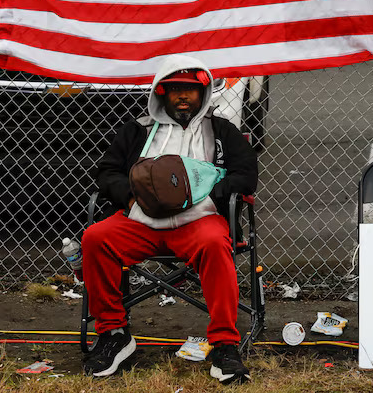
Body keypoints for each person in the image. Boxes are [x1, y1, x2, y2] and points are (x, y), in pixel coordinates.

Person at [81, 55, 258, 383]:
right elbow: (106, 171)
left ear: (202, 93)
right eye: (174, 89)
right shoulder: (138, 130)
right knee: (96, 237)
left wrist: (211, 196)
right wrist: (132, 197)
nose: (182, 96)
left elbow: (246, 174)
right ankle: (114, 334)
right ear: (160, 93)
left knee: (215, 242)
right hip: (141, 222)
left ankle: (224, 345)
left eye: (189, 90)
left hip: (198, 222)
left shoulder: (221, 130)